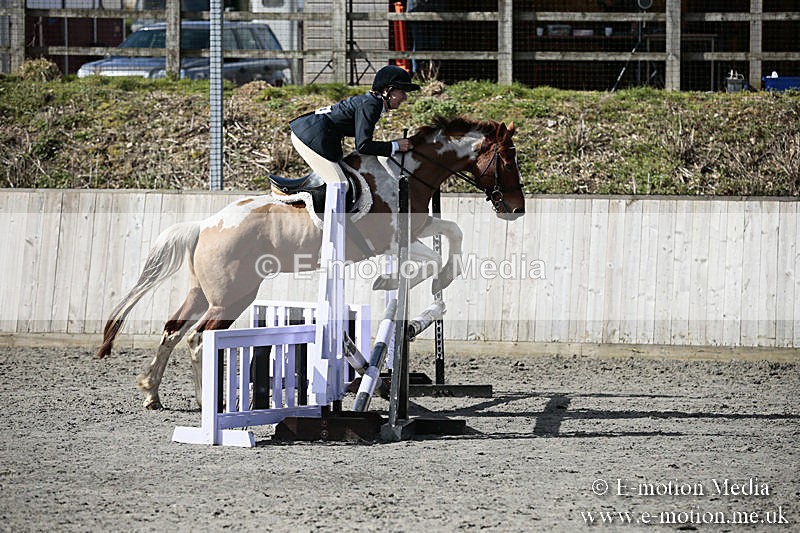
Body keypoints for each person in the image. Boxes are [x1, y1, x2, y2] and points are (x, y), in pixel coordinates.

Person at [289, 65, 420, 188]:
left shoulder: (371, 102)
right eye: (402, 91)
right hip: (310, 135)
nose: (405, 98)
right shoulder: (371, 105)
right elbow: (363, 146)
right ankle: (328, 213)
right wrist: (395, 146)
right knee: (340, 184)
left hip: (315, 133)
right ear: (386, 90)